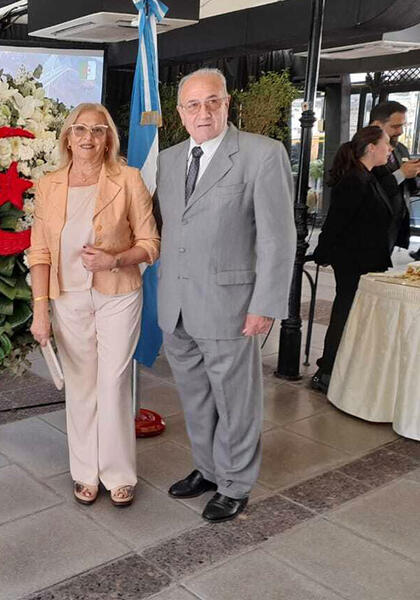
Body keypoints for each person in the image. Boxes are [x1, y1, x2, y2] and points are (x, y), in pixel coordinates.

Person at [155, 68, 295, 522]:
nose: (203, 112)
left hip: (230, 306)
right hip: (176, 306)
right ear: (179, 113)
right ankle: (209, 469)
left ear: (227, 103)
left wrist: (265, 305)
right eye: (193, 104)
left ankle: (235, 483)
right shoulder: (169, 160)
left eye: (212, 101)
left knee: (235, 400)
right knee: (196, 397)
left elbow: (278, 238)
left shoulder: (262, 155)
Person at [28, 103, 160, 507]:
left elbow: (151, 244)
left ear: (109, 138)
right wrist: (40, 310)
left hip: (118, 293)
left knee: (112, 382)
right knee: (82, 386)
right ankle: (84, 473)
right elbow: (39, 253)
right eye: (80, 129)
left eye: (98, 130)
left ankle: (119, 473)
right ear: (68, 136)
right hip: (67, 297)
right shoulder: (48, 185)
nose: (88, 137)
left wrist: (114, 259)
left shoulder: (130, 179)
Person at [310, 126, 394, 393]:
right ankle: (327, 370)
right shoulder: (354, 180)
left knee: (352, 313)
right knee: (344, 313)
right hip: (354, 261)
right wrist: (323, 253)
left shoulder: (367, 175)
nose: (390, 149)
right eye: (387, 144)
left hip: (365, 259)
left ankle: (340, 367)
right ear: (371, 148)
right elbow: (336, 223)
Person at [366, 101, 420, 259]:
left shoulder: (401, 148)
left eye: (403, 125)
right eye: (395, 126)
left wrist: (414, 174)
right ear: (377, 124)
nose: (400, 131)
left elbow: (409, 186)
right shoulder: (360, 150)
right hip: (370, 226)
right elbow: (368, 189)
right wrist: (401, 174)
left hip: (393, 225)